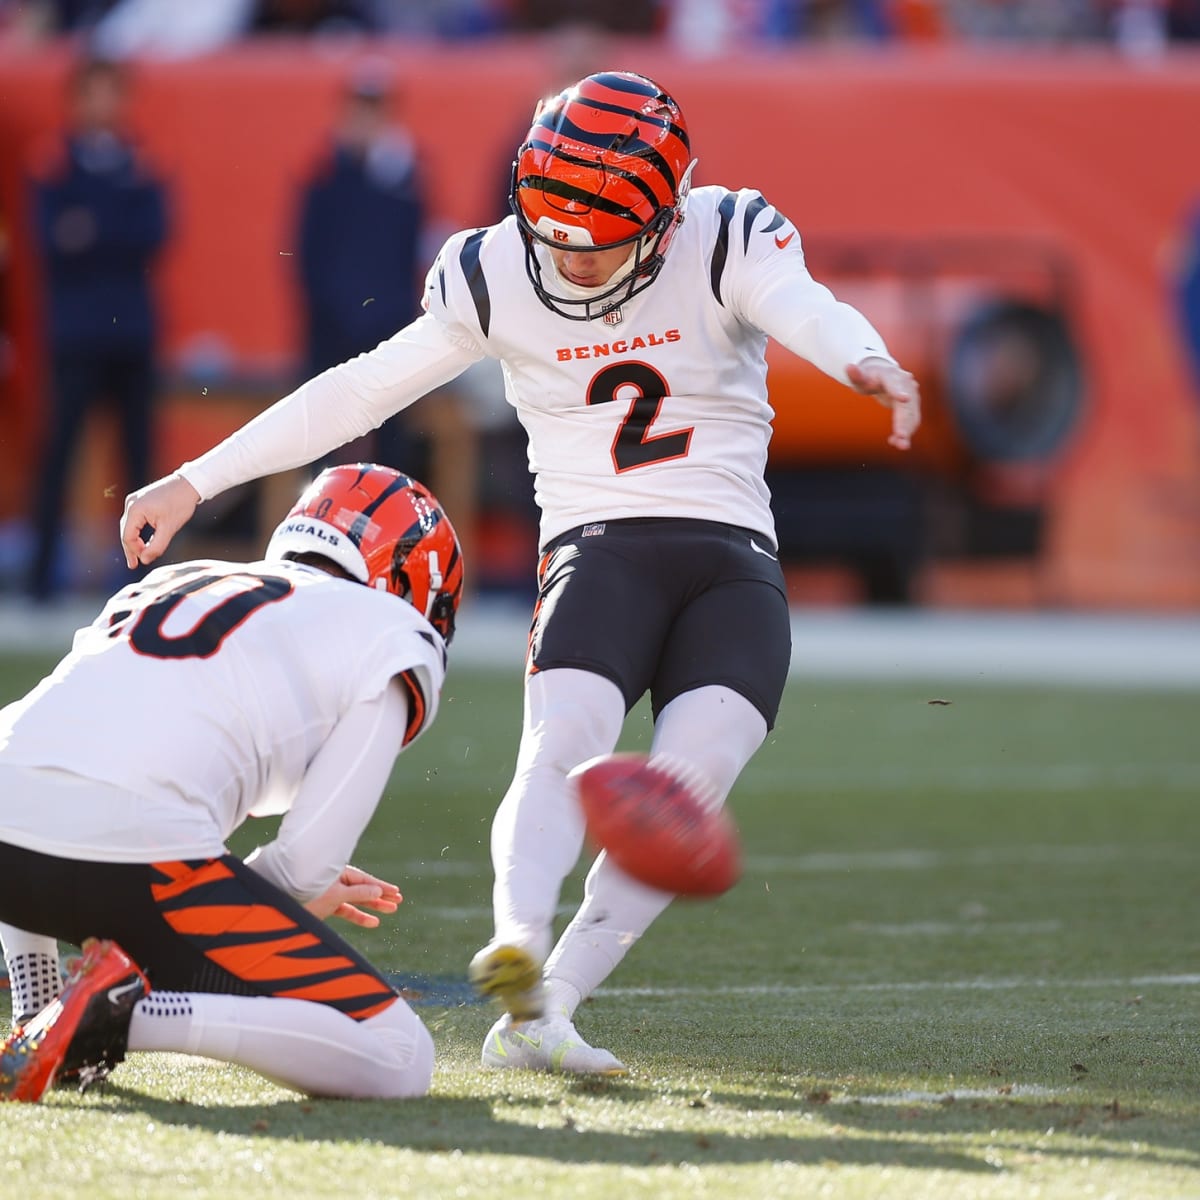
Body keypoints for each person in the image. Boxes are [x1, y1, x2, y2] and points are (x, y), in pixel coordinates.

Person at [119, 71, 921, 1075]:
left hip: (731, 559)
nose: (575, 268)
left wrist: (865, 359)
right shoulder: (497, 270)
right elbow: (357, 391)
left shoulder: (725, 234)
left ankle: (549, 1008)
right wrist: (196, 482)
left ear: (668, 217)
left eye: (604, 246)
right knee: (560, 744)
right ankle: (519, 947)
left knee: (694, 780)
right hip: (597, 548)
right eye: (556, 242)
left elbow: (806, 307)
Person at [1, 463, 464, 1102]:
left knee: (39, 771)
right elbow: (302, 867)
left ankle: (38, 1007)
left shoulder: (177, 578)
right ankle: (118, 1019)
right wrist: (277, 899)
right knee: (400, 1055)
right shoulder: (391, 632)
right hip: (133, 850)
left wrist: (256, 894)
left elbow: (55, 751)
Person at [27, 53, 169, 601]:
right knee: (58, 453)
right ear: (77, 99)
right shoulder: (53, 163)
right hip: (77, 336)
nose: (103, 104)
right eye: (94, 92)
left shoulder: (142, 161)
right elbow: (52, 241)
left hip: (131, 333)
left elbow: (153, 234)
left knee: (140, 461)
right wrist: (111, 228)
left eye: (113, 92)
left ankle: (148, 574)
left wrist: (91, 227)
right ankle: (41, 577)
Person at [295, 62, 427, 474]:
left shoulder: (405, 178)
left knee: (392, 437)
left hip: (386, 326)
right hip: (331, 329)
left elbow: (407, 249)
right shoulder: (325, 177)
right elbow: (308, 257)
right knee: (319, 439)